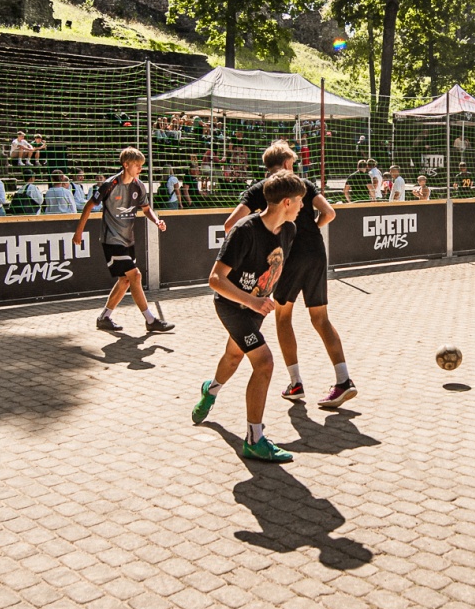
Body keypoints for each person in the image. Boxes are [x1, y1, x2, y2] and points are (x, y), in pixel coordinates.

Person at [223, 141, 355, 410]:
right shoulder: (303, 184)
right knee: (321, 319)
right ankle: (344, 380)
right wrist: (312, 229)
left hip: (288, 257)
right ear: (286, 164)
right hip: (316, 252)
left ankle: (295, 383)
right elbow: (329, 213)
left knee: (283, 317)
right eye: (293, 164)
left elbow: (230, 225)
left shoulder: (262, 189)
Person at [192, 171, 306, 462]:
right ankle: (254, 439)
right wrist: (252, 301)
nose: (303, 206)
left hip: (256, 308)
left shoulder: (289, 230)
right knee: (264, 362)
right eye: (300, 200)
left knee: (233, 356)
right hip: (233, 306)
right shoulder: (244, 230)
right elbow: (215, 279)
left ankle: (210, 390)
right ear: (286, 202)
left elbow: (275, 268)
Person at [75, 148, 174, 334]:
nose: (140, 169)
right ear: (126, 165)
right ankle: (150, 320)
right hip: (111, 240)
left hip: (128, 240)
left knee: (125, 280)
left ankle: (104, 318)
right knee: (135, 276)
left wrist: (156, 221)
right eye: (137, 165)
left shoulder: (139, 186)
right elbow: (89, 205)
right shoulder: (110, 184)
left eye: (141, 166)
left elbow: (146, 209)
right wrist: (78, 232)